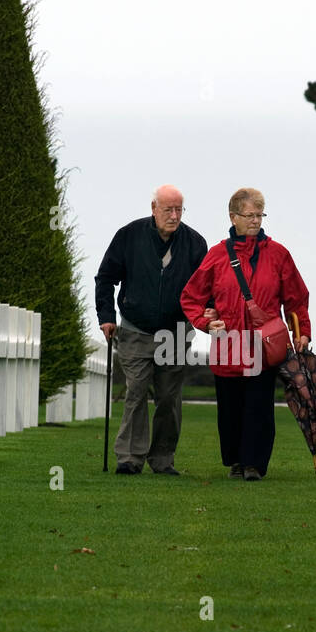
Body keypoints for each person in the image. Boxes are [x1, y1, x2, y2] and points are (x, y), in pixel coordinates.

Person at [180, 188, 310, 481]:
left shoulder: (278, 255)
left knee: (259, 405)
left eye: (259, 215)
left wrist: (302, 331)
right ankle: (236, 461)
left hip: (264, 346)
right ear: (233, 217)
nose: (255, 221)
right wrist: (204, 322)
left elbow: (296, 298)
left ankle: (254, 464)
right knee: (230, 408)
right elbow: (190, 297)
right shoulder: (216, 255)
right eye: (249, 215)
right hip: (227, 344)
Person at [95, 185, 208, 475]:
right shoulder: (128, 236)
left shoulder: (195, 243)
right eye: (168, 209)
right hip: (135, 329)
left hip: (176, 332)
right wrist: (106, 316)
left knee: (169, 397)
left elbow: (204, 288)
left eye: (179, 209)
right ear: (153, 208)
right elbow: (106, 278)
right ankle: (130, 458)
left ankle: (162, 459)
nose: (174, 215)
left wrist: (210, 311)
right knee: (136, 390)